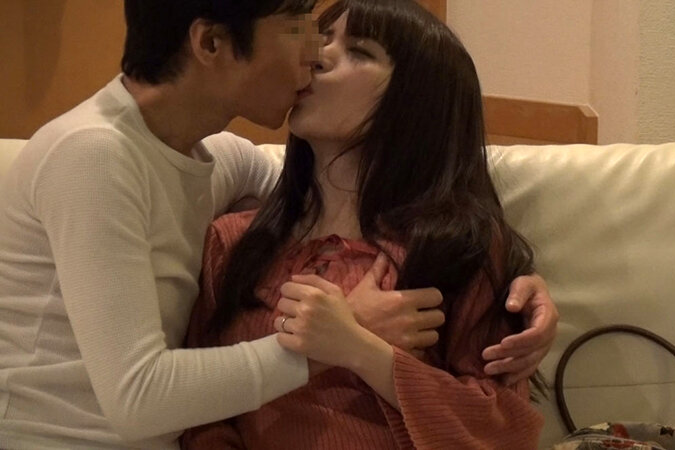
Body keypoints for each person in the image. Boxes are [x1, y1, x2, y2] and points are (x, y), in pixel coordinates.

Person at [0, 0, 555, 448]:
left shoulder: (218, 161)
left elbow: (341, 198)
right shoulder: (95, 157)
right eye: (299, 26)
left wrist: (522, 280)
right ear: (211, 44)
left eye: (354, 49)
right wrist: (341, 337)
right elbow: (142, 399)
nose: (314, 53)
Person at [183, 1, 547, 448]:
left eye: (359, 50)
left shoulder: (458, 248)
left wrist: (362, 351)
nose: (317, 56)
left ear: (416, 100)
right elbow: (201, 416)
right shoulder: (234, 242)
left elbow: (504, 430)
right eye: (320, 38)